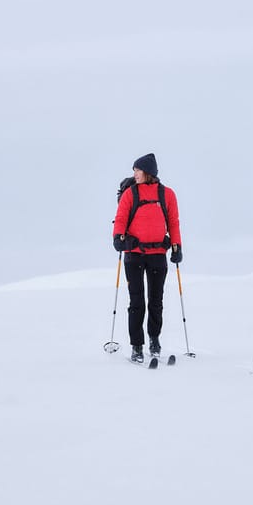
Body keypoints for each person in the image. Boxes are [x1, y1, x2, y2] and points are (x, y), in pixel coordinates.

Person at [112, 153, 182, 363]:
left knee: (156, 301)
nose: (134, 174)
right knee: (137, 301)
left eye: (137, 170)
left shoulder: (167, 194)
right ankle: (137, 345)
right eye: (134, 170)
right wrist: (118, 238)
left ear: (148, 172)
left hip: (158, 254)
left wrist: (177, 247)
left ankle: (154, 339)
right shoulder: (130, 194)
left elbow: (174, 222)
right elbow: (121, 218)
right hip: (134, 255)